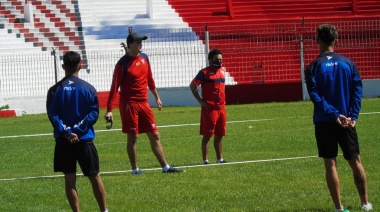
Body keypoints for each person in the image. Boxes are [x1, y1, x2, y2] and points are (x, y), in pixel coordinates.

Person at [304, 24, 372, 212]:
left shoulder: (312, 67)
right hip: (347, 121)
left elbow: (316, 96)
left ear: (317, 40)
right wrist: (353, 115)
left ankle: (339, 208)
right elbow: (357, 90)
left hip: (325, 121)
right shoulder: (348, 63)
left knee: (330, 163)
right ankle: (365, 204)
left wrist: (334, 115)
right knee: (355, 161)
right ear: (336, 40)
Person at [105, 32, 182, 174]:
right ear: (130, 45)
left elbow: (150, 79)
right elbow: (114, 88)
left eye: (141, 41)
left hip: (144, 103)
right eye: (137, 42)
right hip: (129, 104)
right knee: (133, 137)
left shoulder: (145, 58)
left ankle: (166, 167)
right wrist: (109, 110)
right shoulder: (121, 65)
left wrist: (157, 97)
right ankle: (135, 169)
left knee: (154, 135)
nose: (141, 44)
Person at [46, 51, 108, 212]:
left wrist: (66, 132)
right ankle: (104, 210)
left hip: (63, 140)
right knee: (94, 176)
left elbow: (52, 114)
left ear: (63, 66)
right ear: (80, 65)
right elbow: (94, 113)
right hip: (84, 139)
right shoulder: (88, 88)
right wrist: (78, 130)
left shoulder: (54, 90)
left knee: (70, 179)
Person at [189, 48, 227, 165]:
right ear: (210, 60)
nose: (219, 62)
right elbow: (192, 86)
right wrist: (200, 101)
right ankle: (205, 160)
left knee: (220, 134)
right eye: (217, 60)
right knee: (207, 135)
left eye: (221, 60)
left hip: (221, 108)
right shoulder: (204, 73)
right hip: (209, 108)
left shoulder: (222, 71)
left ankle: (220, 159)